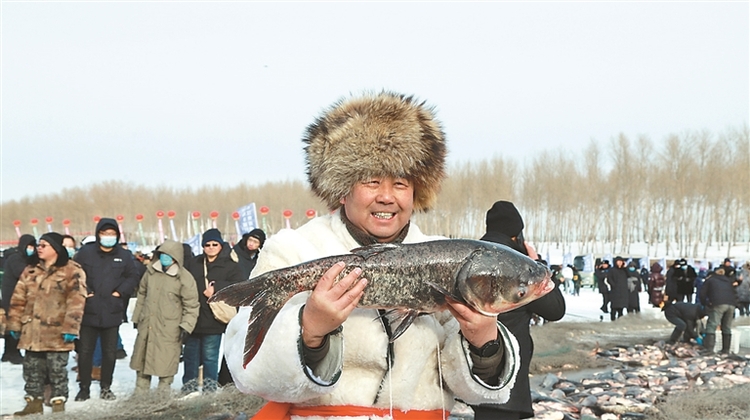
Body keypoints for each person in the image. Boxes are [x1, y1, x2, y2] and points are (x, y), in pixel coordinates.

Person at [224, 92, 521, 419]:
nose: (386, 197)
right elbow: (246, 369)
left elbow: (472, 389)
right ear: (343, 187)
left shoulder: (449, 260)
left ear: (416, 191)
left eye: (400, 183)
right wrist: (310, 329)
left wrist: (485, 342)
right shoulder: (295, 251)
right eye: (372, 181)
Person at [471, 200, 565, 420]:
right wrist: (537, 262)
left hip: (474, 377)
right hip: (509, 384)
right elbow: (556, 309)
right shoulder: (518, 266)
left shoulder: (472, 256)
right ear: (517, 235)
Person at [7, 232, 87, 414]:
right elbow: (18, 299)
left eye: (44, 245)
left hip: (57, 331)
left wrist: (71, 327)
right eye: (38, 245)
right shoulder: (30, 270)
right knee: (32, 369)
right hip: (32, 331)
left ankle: (58, 404)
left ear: (56, 249)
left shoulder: (72, 270)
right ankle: (33, 403)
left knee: (57, 369)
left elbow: (76, 301)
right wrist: (15, 324)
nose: (39, 248)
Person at [73, 218, 139, 401]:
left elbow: (133, 276)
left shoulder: (124, 256)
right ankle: (84, 387)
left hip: (112, 311)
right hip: (89, 311)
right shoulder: (86, 253)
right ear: (98, 234)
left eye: (112, 234)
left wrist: (120, 292)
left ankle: (106, 387)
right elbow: (75, 274)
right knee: (85, 351)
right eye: (105, 233)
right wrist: (86, 292)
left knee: (110, 352)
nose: (108, 237)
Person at [130, 240, 199, 394]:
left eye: (168, 255)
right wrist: (137, 318)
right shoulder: (150, 272)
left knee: (166, 367)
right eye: (161, 254)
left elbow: (192, 305)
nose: (164, 258)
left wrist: (186, 326)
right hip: (147, 325)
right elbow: (142, 294)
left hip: (169, 329)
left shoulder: (184, 278)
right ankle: (140, 397)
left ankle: (163, 399)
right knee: (142, 363)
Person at [183, 228, 244, 393]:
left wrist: (217, 288)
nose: (210, 247)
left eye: (214, 244)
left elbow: (239, 284)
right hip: (193, 319)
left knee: (210, 358)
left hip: (213, 321)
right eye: (207, 245)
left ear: (220, 245)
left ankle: (209, 391)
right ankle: (188, 389)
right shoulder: (193, 263)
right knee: (190, 358)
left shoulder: (230, 265)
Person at [2, 234, 38, 365]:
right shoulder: (15, 259)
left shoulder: (23, 258)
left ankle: (8, 352)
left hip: (18, 296)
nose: (31, 249)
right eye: (29, 246)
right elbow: (23, 273)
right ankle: (12, 352)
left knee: (12, 324)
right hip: (12, 296)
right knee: (14, 324)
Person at [699, 266, 741, 354]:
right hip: (731, 304)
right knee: (726, 327)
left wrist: (706, 304)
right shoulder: (728, 281)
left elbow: (702, 293)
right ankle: (726, 350)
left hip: (718, 304)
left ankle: (709, 349)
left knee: (712, 325)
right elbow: (735, 293)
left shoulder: (710, 280)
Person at [605, 257, 628, 321]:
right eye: (618, 261)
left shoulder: (624, 270)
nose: (620, 263)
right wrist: (614, 285)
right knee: (614, 308)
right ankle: (613, 319)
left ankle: (620, 320)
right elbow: (609, 279)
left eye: (621, 261)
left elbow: (629, 275)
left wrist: (625, 268)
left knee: (621, 308)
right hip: (615, 291)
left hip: (623, 291)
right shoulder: (612, 270)